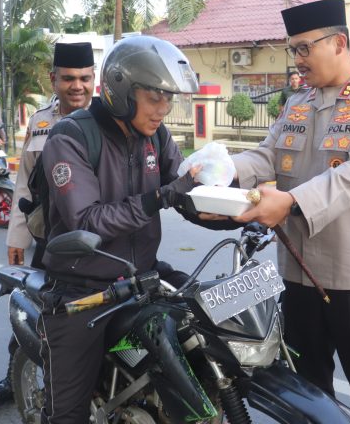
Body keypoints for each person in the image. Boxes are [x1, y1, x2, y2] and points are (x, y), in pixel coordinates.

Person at [37, 36, 231, 424]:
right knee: (68, 414)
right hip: (83, 288)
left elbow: (182, 189)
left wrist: (236, 210)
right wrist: (160, 198)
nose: (164, 109)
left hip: (143, 275)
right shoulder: (71, 137)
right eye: (155, 97)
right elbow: (87, 220)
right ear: (123, 89)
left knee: (216, 321)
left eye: (168, 98)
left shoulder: (155, 136)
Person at [230, 0, 350, 423]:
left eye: (305, 48)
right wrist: (222, 169)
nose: (298, 59)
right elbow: (267, 156)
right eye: (294, 50)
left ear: (339, 42)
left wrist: (289, 201)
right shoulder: (297, 103)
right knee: (307, 387)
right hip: (298, 271)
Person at [0, 42, 96, 409]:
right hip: (50, 240)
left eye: (85, 78)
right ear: (53, 79)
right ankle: (16, 374)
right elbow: (24, 182)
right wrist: (17, 237)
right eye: (69, 78)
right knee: (28, 309)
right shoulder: (41, 122)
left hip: (98, 242)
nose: (78, 86)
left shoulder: (110, 120)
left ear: (94, 79)